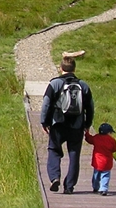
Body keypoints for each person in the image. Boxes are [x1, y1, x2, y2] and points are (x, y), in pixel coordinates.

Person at [40, 56, 94, 194]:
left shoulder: (55, 84)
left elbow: (46, 103)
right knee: (74, 155)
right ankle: (69, 186)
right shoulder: (83, 85)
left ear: (61, 68)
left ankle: (54, 178)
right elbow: (90, 107)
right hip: (77, 125)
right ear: (74, 69)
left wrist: (44, 121)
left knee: (54, 150)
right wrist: (87, 124)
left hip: (58, 124)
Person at [85, 122, 116, 195]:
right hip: (107, 162)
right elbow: (114, 149)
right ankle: (103, 189)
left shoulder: (96, 138)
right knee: (105, 176)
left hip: (97, 162)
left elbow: (89, 139)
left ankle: (95, 187)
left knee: (96, 175)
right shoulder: (111, 140)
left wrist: (87, 133)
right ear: (108, 132)